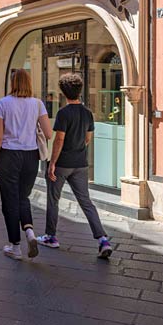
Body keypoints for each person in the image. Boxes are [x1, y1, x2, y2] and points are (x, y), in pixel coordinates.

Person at [39, 73, 112, 258]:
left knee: (53, 199)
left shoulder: (63, 113)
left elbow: (59, 140)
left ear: (63, 92)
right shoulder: (88, 113)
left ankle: (51, 237)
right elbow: (88, 139)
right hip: (81, 164)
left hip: (63, 163)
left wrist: (53, 162)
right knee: (86, 202)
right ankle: (102, 239)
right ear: (79, 91)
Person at [0, 69, 53, 260]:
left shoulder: (1, 104)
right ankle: (30, 233)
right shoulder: (38, 104)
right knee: (23, 197)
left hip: (9, 156)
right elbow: (49, 133)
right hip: (31, 156)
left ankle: (15, 246)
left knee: (9, 200)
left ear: (12, 83)